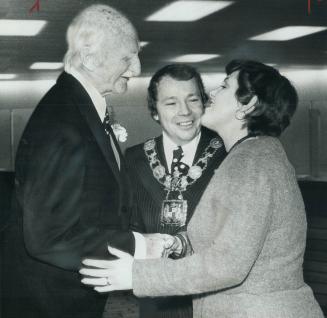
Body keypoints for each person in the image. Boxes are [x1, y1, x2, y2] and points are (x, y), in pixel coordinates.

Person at [80, 60, 324, 317]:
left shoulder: (252, 162)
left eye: (224, 86)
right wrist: (178, 243)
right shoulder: (253, 155)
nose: (213, 94)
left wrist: (136, 275)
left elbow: (227, 264)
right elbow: (228, 238)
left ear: (247, 104)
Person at [2, 4, 169, 318]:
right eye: (127, 57)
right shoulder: (62, 120)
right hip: (45, 304)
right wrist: (139, 246)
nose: (136, 69)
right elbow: (47, 238)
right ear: (90, 57)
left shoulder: (80, 110)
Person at [125, 64, 226, 318]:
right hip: (157, 301)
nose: (185, 111)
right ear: (154, 111)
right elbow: (129, 224)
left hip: (215, 298)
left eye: (193, 100)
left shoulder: (228, 153)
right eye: (171, 103)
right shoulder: (135, 158)